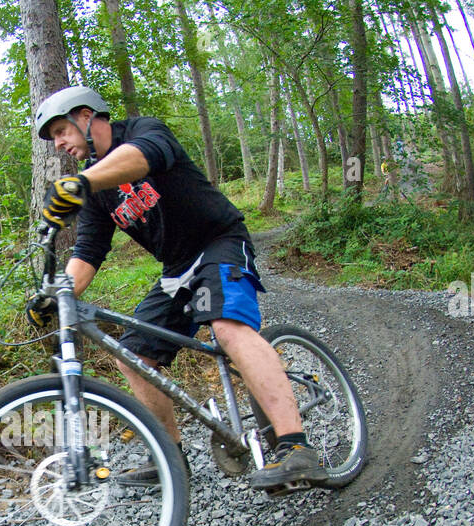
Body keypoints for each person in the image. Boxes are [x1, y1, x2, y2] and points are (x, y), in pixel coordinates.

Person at [31, 85, 327, 491]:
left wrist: (82, 183)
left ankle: (297, 449)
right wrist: (57, 293)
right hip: (175, 270)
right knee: (133, 355)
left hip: (217, 243)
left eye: (62, 131)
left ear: (86, 116)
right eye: (54, 139)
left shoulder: (143, 132)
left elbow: (143, 158)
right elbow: (89, 250)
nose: (60, 144)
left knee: (227, 327)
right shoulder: (97, 191)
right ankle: (169, 459)